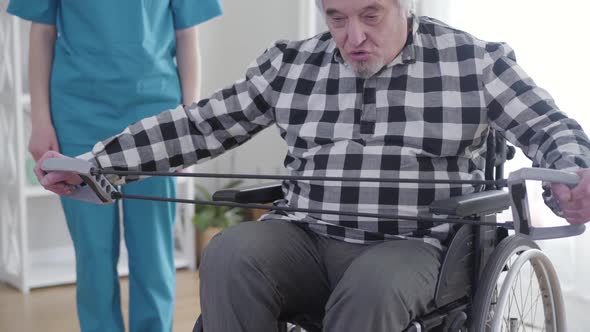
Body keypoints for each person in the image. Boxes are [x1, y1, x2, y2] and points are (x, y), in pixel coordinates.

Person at [35, 0, 590, 330]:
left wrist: (573, 171)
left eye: (371, 14)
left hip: (418, 247)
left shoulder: (475, 61)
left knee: (375, 282)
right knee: (231, 252)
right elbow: (200, 125)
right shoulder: (292, 64)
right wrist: (98, 163)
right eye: (336, 16)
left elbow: (550, 128)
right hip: (307, 233)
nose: (353, 37)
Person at [7, 1, 222, 331]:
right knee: (92, 254)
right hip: (77, 116)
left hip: (154, 115)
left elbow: (186, 34)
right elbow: (42, 31)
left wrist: (187, 125)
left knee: (154, 254)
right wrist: (40, 121)